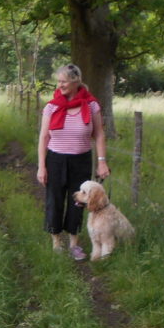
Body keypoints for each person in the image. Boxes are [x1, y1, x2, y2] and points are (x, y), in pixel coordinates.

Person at [36, 63, 110, 260]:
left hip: (81, 160)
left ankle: (74, 244)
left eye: (64, 81)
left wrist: (102, 162)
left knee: (78, 201)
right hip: (55, 160)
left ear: (76, 81)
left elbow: (99, 134)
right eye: (58, 81)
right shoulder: (51, 107)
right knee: (55, 200)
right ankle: (56, 241)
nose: (59, 85)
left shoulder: (91, 105)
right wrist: (41, 166)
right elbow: (44, 137)